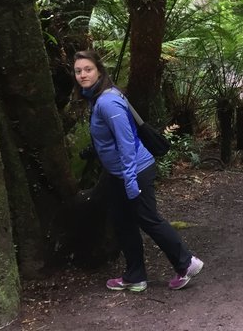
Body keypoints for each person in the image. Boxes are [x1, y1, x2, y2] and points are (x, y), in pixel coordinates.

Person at [73, 50, 204, 292]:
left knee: (147, 218)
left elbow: (126, 142)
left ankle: (186, 263)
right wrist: (94, 150)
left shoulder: (107, 102)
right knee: (122, 221)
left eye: (88, 69)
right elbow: (111, 138)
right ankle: (135, 276)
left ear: (99, 71)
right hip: (119, 173)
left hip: (134, 170)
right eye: (78, 71)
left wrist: (130, 179)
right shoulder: (98, 98)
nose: (83, 75)